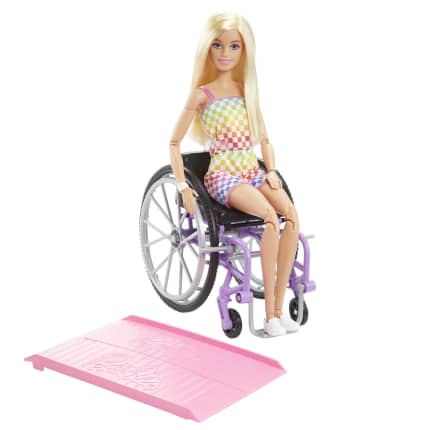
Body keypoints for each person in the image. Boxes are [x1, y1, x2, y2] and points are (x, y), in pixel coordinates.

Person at [169, 11, 300, 336]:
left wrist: (272, 170)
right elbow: (173, 143)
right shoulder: (202, 95)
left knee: (292, 216)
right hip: (223, 175)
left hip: (252, 169)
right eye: (217, 45)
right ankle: (270, 315)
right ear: (207, 49)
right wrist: (183, 186)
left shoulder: (247, 90)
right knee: (270, 218)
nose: (225, 53)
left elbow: (265, 139)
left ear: (244, 50)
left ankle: (280, 306)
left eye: (233, 46)